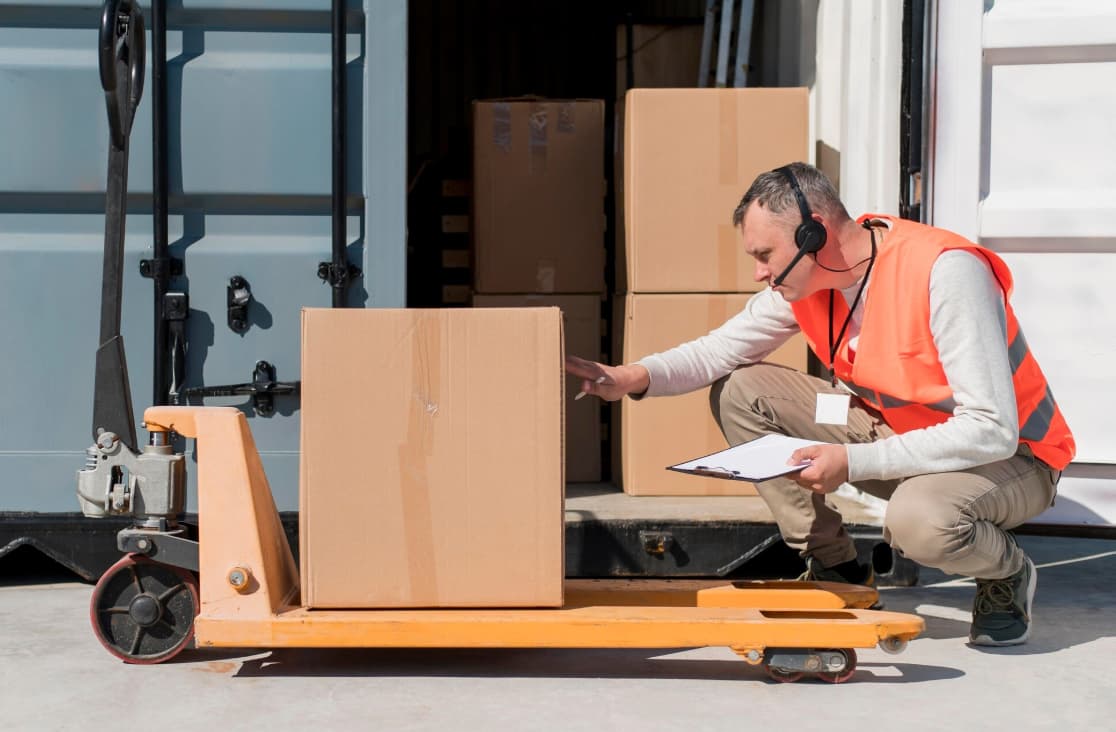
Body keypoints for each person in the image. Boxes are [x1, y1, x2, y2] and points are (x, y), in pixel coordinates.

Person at [566, 162, 1074, 647]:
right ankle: (835, 566)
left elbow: (990, 428)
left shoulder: (945, 272)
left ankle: (1005, 570)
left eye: (764, 255)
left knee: (918, 523)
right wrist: (630, 376)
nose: (760, 273)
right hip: (902, 437)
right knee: (741, 390)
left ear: (814, 235)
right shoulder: (809, 283)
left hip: (1010, 459)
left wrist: (852, 461)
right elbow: (718, 351)